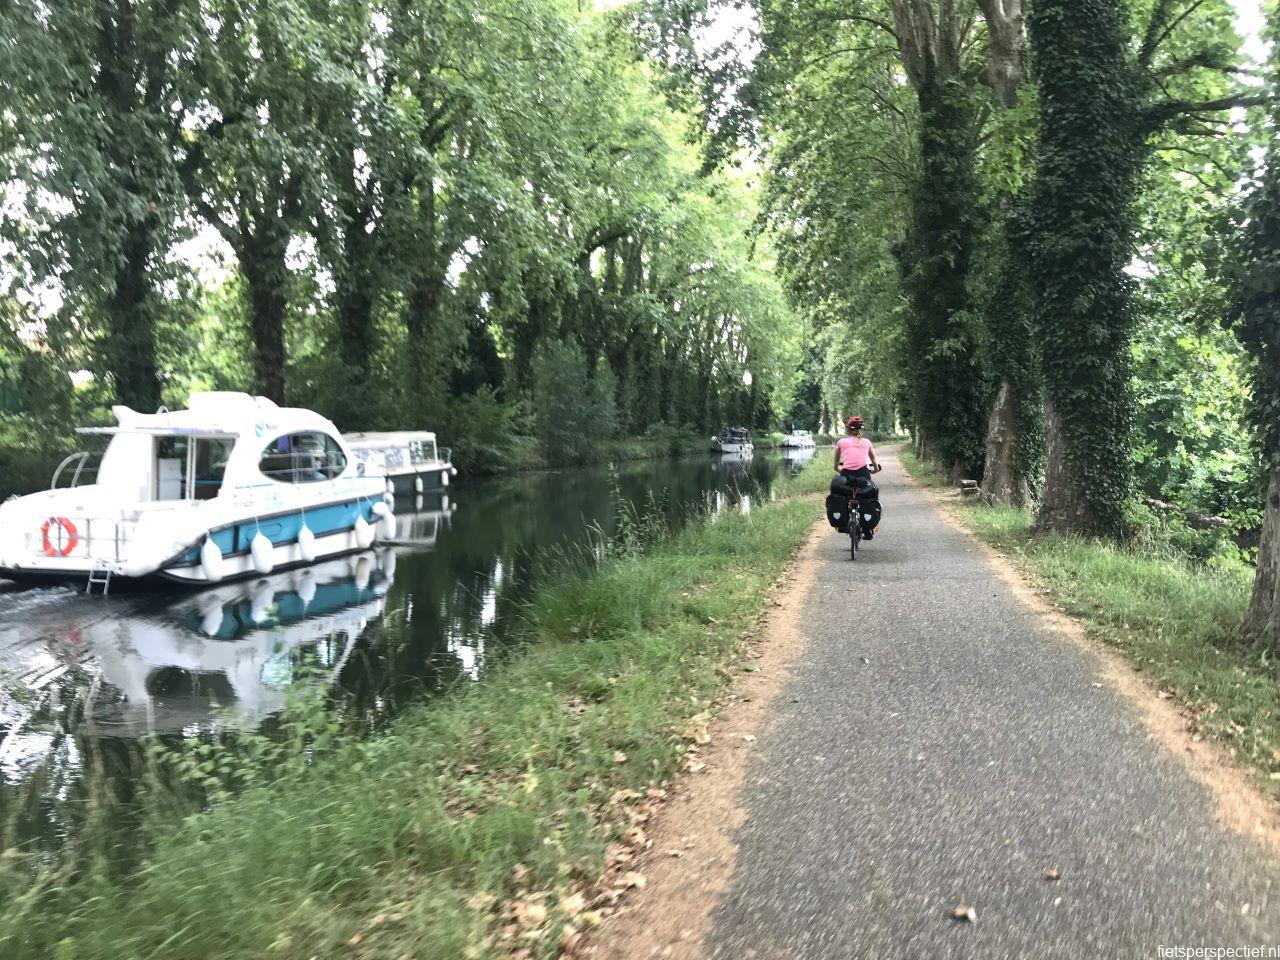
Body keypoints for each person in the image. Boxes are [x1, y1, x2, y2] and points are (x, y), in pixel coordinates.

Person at [834, 416, 881, 482]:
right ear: (860, 429)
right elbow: (874, 460)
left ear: (848, 429)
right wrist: (876, 469)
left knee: (841, 490)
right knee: (870, 489)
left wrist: (838, 469)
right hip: (863, 473)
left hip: (846, 473)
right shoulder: (867, 442)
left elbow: (836, 464)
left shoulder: (841, 442)